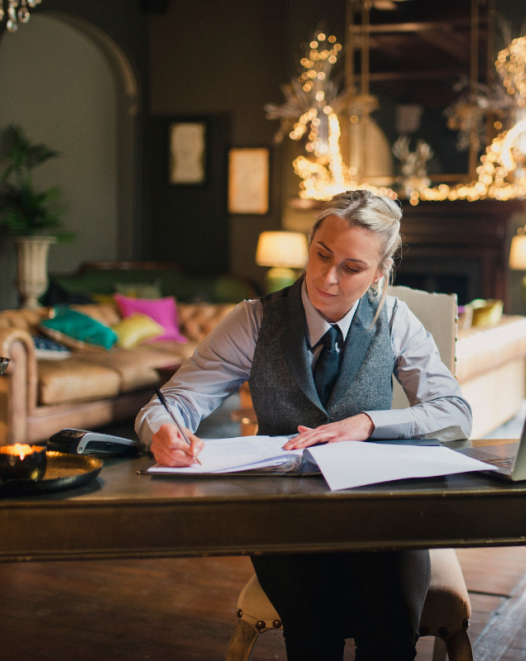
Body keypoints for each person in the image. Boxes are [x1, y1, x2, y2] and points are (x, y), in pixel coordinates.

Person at [135, 189, 472, 660]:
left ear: (378, 274)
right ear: (310, 242)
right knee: (314, 635)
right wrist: (162, 432)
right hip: (284, 512)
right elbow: (169, 403)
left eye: (352, 268)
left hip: (379, 508)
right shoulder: (253, 321)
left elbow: (455, 413)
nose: (326, 278)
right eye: (321, 255)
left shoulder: (395, 319)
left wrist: (369, 423)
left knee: (391, 635)